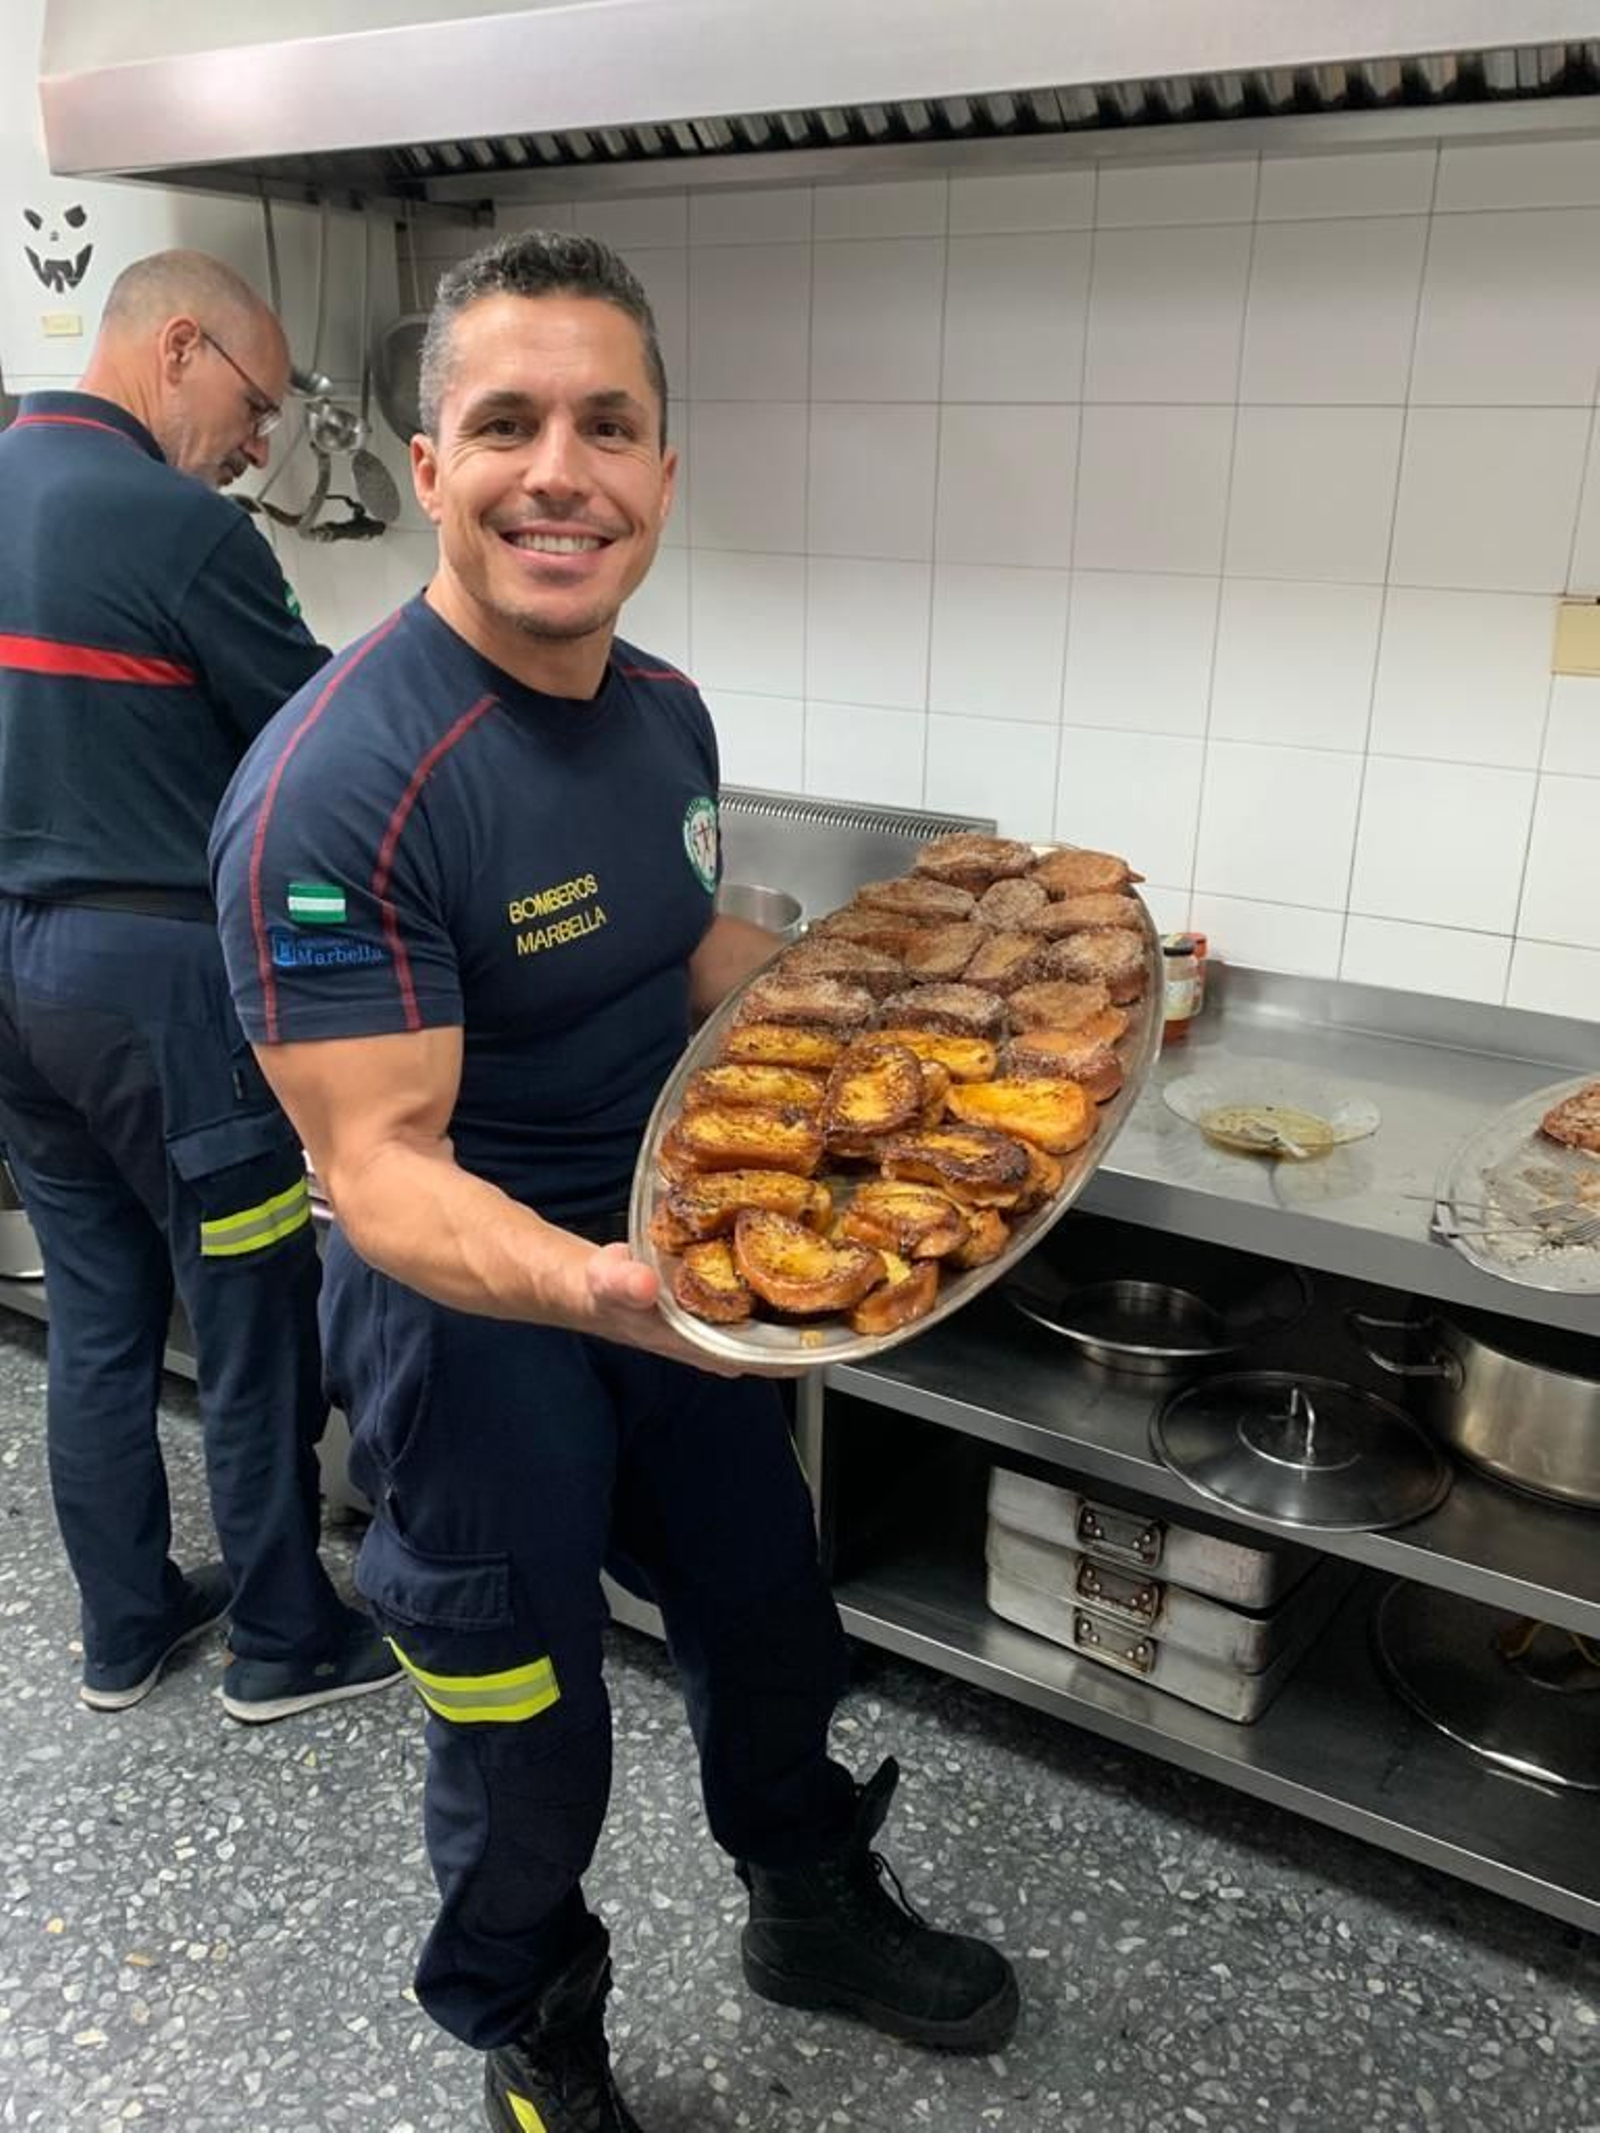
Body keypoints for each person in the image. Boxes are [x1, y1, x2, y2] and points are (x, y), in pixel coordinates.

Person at [209, 229, 1018, 2133]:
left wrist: (944, 997)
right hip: (476, 1323)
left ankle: (806, 1899)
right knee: (526, 1727)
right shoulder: (338, 787)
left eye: (607, 424)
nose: (558, 470)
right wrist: (589, 1286)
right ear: (432, 468)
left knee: (770, 1609)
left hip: (667, 1264)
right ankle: (533, 2028)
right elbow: (375, 1165)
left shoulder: (663, 711)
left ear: (663, 469)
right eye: (507, 423)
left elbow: (682, 953)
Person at [0, 249, 401, 1722]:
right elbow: (323, 746)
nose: (258, 443)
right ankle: (285, 1636)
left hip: (14, 974)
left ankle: (125, 1627)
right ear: (179, 348)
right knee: (248, 1303)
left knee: (100, 1308)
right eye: (258, 403)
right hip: (155, 988)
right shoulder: (177, 527)